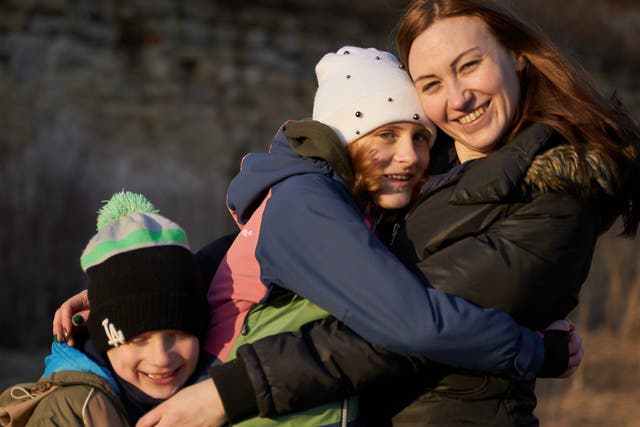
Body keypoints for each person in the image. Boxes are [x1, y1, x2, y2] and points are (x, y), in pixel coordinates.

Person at [132, 1, 640, 426]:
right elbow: (266, 251)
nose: (458, 98)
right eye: (432, 83)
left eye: (469, 66)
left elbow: (397, 331)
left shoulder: (557, 196)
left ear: (518, 57)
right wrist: (154, 286)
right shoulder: (425, 172)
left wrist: (232, 391)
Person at [54, 46, 582, 427]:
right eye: (387, 136)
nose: (411, 156)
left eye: (421, 138)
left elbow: (234, 263)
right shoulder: (309, 202)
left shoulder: (336, 199)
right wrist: (534, 350)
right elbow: (412, 323)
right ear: (345, 137)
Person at [0, 191, 210, 426]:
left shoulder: (208, 394)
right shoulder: (70, 413)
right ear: (104, 337)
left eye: (176, 334)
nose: (161, 358)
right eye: (139, 339)